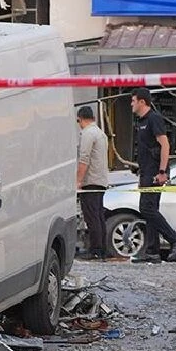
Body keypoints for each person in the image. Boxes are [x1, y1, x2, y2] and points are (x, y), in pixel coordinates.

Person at [130, 88, 176, 263]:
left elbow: (165, 145)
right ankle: (152, 252)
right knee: (150, 210)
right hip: (146, 171)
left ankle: (175, 239)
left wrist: (162, 172)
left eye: (133, 101)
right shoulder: (141, 121)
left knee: (146, 209)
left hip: (155, 172)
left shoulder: (154, 119)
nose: (131, 104)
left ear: (142, 102)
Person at [76, 106, 109, 260]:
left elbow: (84, 159)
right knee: (99, 215)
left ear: (81, 119)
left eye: (78, 121)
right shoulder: (101, 134)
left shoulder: (88, 134)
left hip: (90, 181)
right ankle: (102, 248)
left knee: (91, 216)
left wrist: (78, 181)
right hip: (101, 180)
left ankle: (95, 249)